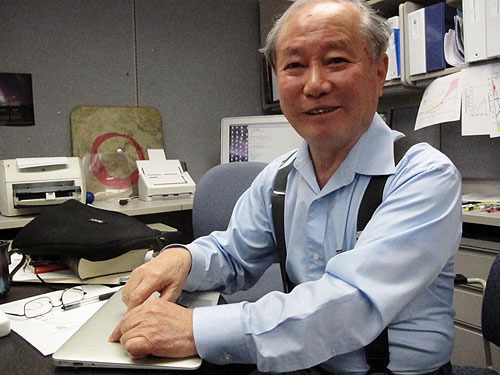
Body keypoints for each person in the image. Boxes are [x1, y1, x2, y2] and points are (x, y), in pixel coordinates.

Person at [109, 0, 462, 373]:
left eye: (336, 61)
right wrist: (180, 259)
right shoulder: (279, 178)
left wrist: (195, 329)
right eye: (294, 66)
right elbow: (232, 253)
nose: (314, 85)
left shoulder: (423, 176)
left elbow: (351, 305)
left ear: (379, 71)